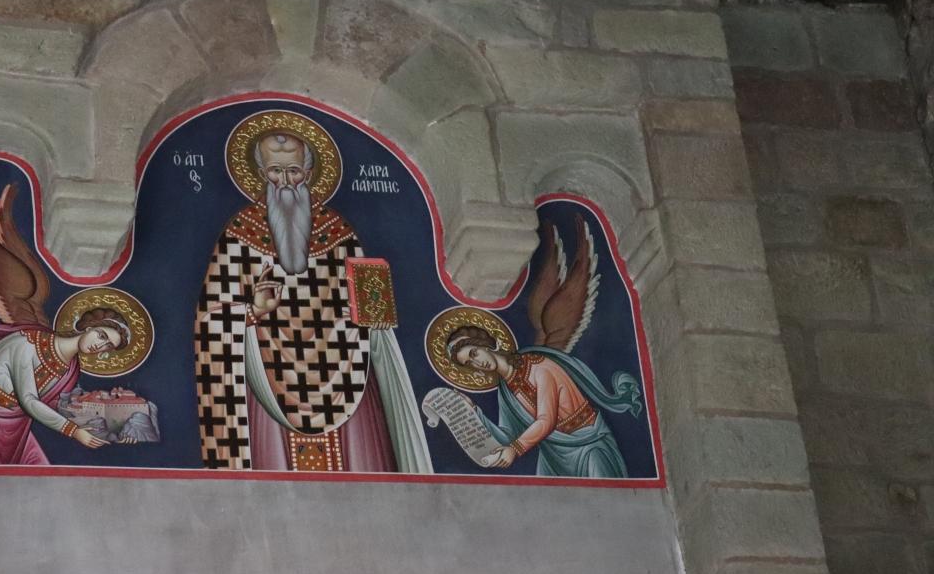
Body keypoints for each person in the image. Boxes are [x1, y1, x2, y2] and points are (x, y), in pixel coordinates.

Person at [195, 116, 431, 473]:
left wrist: (369, 314)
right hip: (268, 380)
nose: (285, 181)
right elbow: (211, 317)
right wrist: (252, 310)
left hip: (345, 374)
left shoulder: (339, 233)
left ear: (309, 171)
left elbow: (375, 310)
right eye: (275, 171)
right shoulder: (240, 235)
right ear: (260, 173)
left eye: (294, 171)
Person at [0, 286, 134, 464]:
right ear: (89, 327)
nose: (100, 345)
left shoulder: (70, 368)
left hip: (16, 428)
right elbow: (28, 400)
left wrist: (117, 431)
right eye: (101, 335)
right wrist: (73, 431)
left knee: (41, 475)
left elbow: (59, 406)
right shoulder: (27, 344)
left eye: (108, 346)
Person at [446, 324, 640, 479]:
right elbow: (508, 436)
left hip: (588, 444)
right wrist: (473, 412)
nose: (477, 363)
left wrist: (515, 449)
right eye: (469, 363)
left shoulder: (539, 367)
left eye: (474, 353)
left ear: (485, 345)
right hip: (553, 456)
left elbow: (546, 420)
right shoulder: (505, 391)